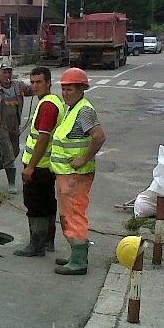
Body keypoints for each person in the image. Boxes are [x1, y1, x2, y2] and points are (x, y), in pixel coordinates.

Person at [50, 67, 106, 275]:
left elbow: (99, 136)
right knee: (68, 215)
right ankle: (75, 254)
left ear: (82, 89)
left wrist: (83, 158)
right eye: (64, 89)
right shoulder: (72, 108)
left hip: (75, 175)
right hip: (67, 174)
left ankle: (79, 261)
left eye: (70, 89)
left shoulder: (84, 110)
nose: (65, 93)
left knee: (74, 216)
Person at [13, 67, 65, 257]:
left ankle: (37, 245)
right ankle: (48, 241)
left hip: (39, 166)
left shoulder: (48, 105)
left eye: (39, 82)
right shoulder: (52, 101)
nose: (34, 86)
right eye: (32, 82)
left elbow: (42, 139)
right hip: (46, 166)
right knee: (47, 203)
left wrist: (31, 167)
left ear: (49, 82)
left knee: (35, 205)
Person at [0, 59, 33, 194]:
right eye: (5, 72)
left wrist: (42, 86)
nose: (7, 75)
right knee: (9, 153)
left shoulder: (18, 86)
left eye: (9, 72)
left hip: (14, 126)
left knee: (15, 151)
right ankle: (11, 184)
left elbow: (32, 89)